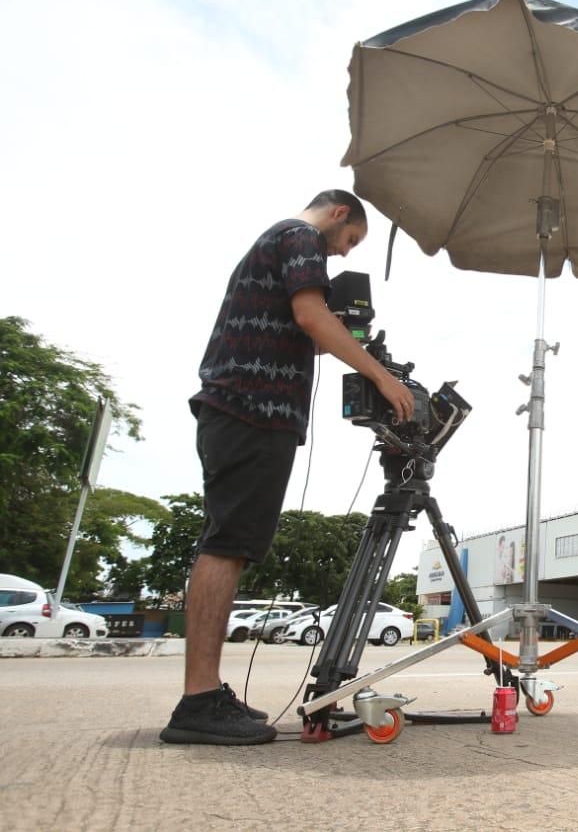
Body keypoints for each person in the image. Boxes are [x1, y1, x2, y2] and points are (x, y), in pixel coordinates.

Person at [160, 190, 415, 746]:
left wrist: (347, 339)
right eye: (349, 242)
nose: (345, 256)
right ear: (339, 213)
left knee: (232, 540)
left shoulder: (276, 242)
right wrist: (380, 376)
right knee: (227, 542)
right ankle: (197, 701)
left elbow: (299, 326)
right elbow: (309, 313)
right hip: (251, 410)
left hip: (246, 410)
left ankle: (204, 693)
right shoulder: (299, 236)